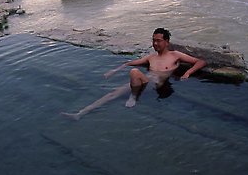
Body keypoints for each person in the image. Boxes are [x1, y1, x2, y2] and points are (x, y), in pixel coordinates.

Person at [61, 27, 207, 120]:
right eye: (153, 41)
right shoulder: (151, 57)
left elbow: (200, 61)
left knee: (134, 72)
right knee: (112, 93)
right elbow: (129, 62)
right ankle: (79, 114)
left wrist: (188, 72)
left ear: (167, 42)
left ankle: (133, 97)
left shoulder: (175, 55)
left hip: (156, 84)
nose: (155, 44)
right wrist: (114, 71)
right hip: (141, 81)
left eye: (158, 41)